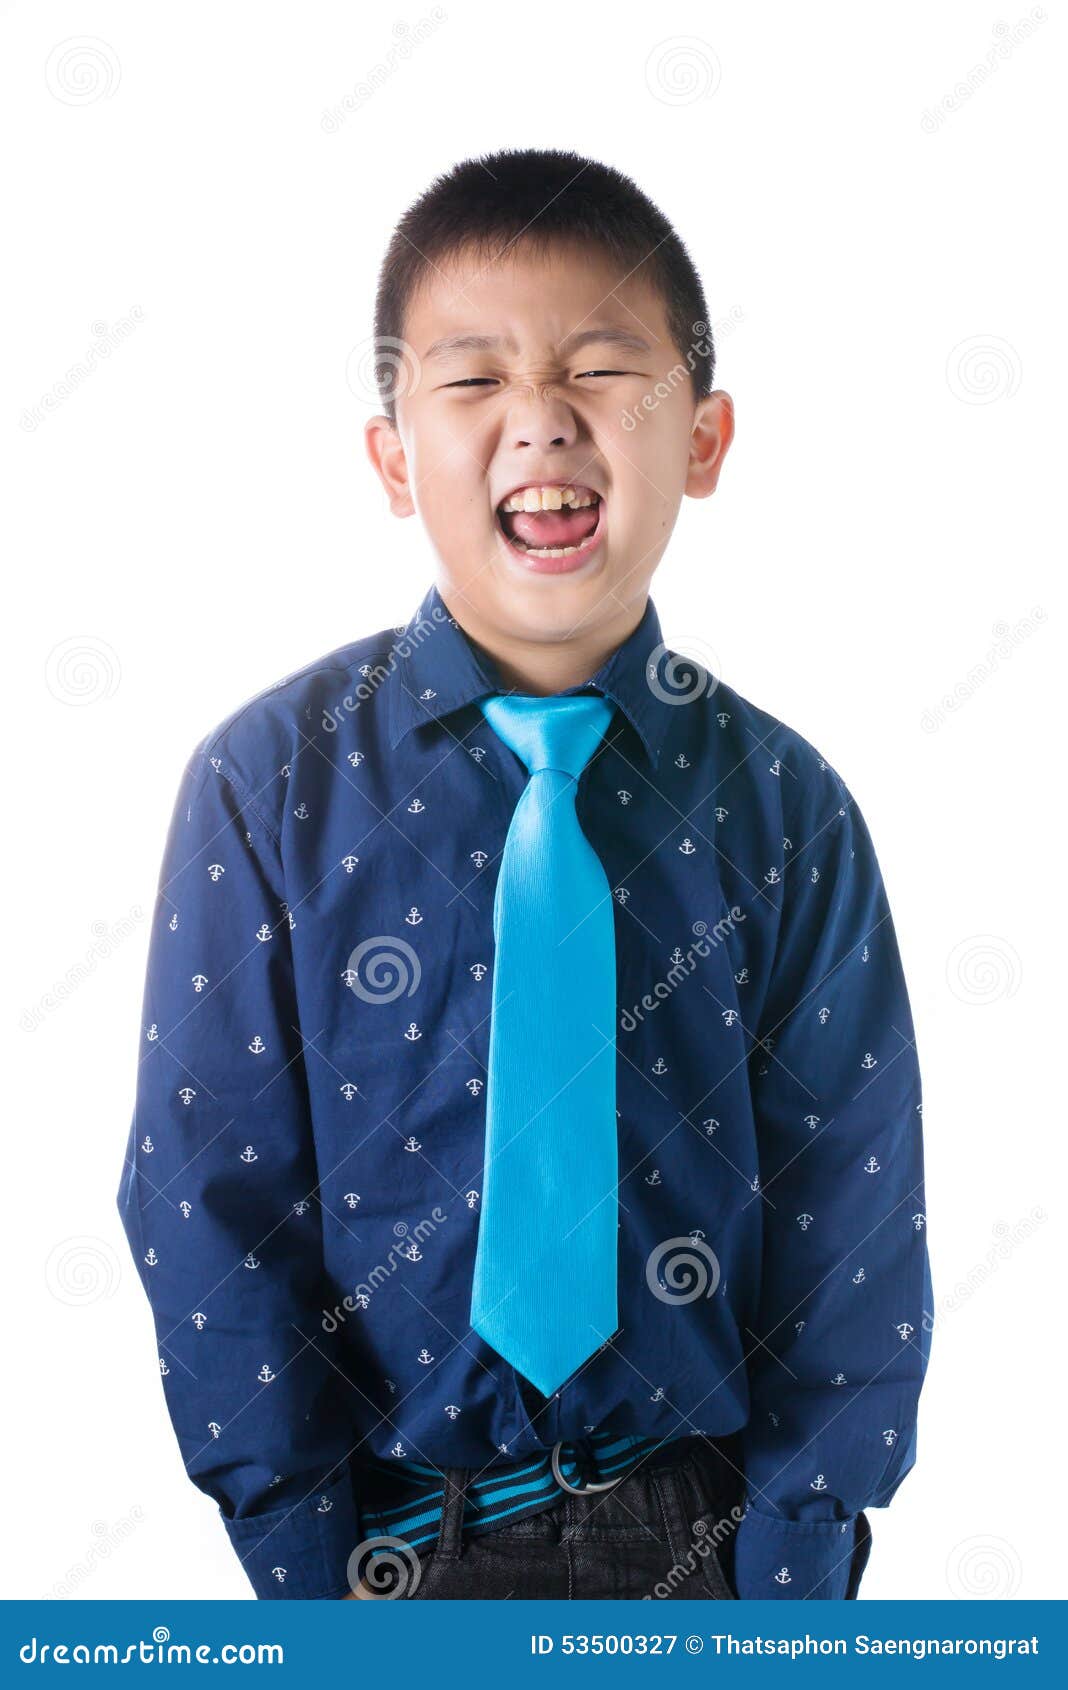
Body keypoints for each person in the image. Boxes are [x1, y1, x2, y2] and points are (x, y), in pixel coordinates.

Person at [116, 148, 932, 1602]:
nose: (540, 423)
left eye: (603, 369)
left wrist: (794, 1573)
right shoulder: (268, 787)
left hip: (704, 1543)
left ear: (703, 436)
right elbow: (209, 1201)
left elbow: (848, 1221)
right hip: (383, 1547)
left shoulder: (789, 812)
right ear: (390, 456)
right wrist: (307, 1575)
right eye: (473, 381)